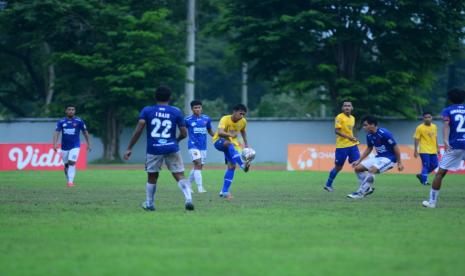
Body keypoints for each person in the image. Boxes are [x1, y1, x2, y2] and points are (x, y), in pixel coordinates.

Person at [124, 85, 193, 211]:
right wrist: (175, 141)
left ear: (155, 96)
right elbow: (184, 133)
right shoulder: (176, 111)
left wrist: (129, 148)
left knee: (152, 176)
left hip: (154, 149)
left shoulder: (147, 110)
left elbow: (139, 130)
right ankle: (188, 198)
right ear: (170, 98)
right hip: (171, 147)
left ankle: (150, 204)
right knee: (179, 175)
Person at [422, 88, 465, 208]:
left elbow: (446, 125)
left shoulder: (448, 110)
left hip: (455, 145)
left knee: (440, 174)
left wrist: (445, 140)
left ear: (450, 99)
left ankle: (432, 202)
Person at [348, 115, 404, 199]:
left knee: (372, 170)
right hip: (379, 157)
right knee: (357, 168)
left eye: (365, 125)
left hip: (390, 158)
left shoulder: (384, 133)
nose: (364, 127)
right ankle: (367, 188)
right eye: (363, 125)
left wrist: (399, 162)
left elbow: (395, 147)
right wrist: (359, 160)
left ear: (372, 125)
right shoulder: (369, 135)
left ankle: (360, 193)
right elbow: (369, 148)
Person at [212, 104, 251, 199]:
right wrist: (230, 135)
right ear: (234, 111)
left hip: (232, 145)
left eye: (243, 114)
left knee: (232, 166)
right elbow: (220, 132)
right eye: (240, 113)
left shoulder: (243, 121)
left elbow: (243, 131)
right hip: (219, 141)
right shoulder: (225, 119)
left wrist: (246, 143)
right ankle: (242, 165)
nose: (242, 116)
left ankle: (224, 191)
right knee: (228, 144)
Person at [324, 101, 360, 192]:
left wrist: (354, 138)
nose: (347, 107)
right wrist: (349, 137)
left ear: (352, 108)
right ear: (342, 108)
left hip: (352, 145)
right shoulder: (339, 117)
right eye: (345, 106)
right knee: (338, 167)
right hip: (342, 146)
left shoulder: (352, 118)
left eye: (349, 106)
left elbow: (350, 130)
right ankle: (328, 185)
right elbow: (336, 131)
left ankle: (365, 186)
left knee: (358, 164)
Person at [53, 105, 92, 187]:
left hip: (75, 146)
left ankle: (70, 182)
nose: (71, 111)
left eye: (73, 109)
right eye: (69, 109)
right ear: (66, 111)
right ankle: (69, 180)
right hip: (64, 147)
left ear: (75, 111)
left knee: (72, 162)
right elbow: (57, 132)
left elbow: (85, 132)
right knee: (66, 165)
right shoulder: (61, 121)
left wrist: (88, 143)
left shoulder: (79, 121)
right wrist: (55, 143)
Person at [185, 100, 214, 193]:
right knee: (197, 163)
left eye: (199, 107)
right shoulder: (187, 120)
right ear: (192, 109)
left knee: (198, 167)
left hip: (203, 146)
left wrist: (217, 137)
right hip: (193, 145)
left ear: (201, 108)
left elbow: (210, 130)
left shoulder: (206, 119)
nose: (197, 109)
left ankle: (187, 185)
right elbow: (182, 129)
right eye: (195, 108)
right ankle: (200, 188)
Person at [413, 112, 439, 185]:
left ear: (432, 118)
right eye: (426, 117)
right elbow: (416, 139)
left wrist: (437, 147)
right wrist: (415, 150)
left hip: (433, 150)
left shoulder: (434, 126)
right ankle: (424, 181)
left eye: (429, 117)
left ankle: (422, 175)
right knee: (426, 166)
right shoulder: (419, 127)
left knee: (435, 165)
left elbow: (435, 137)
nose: (428, 119)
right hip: (424, 150)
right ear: (423, 119)